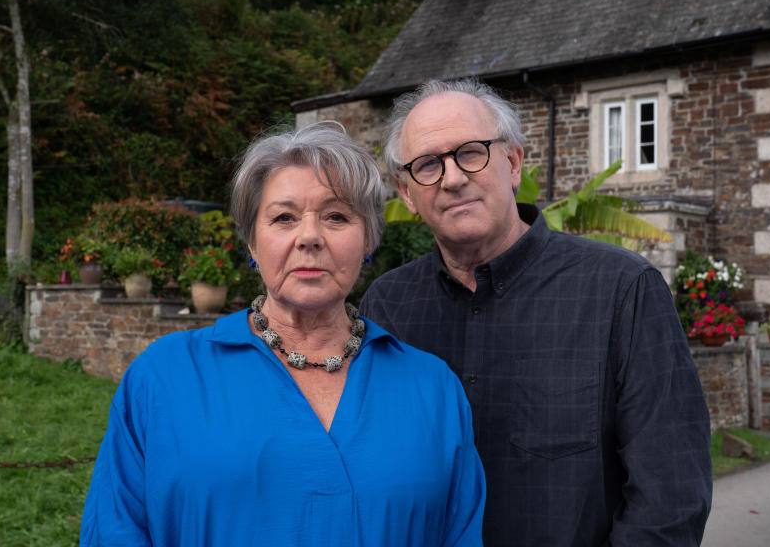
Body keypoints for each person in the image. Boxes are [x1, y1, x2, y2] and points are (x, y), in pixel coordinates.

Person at [80, 121, 485, 547]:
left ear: (367, 240)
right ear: (252, 243)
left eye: (336, 216)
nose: (309, 237)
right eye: (284, 217)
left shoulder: (432, 388)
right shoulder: (163, 377)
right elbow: (115, 531)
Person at [360, 79, 712, 546]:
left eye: (471, 152)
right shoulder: (388, 307)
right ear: (406, 193)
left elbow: (670, 496)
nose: (452, 178)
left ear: (512, 162)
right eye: (428, 164)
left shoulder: (621, 289)